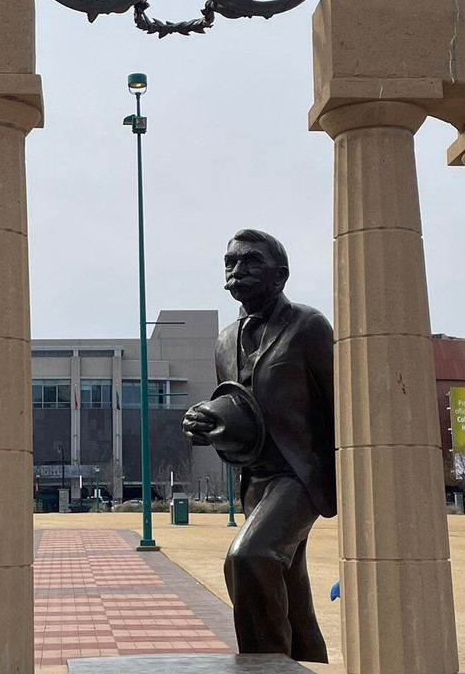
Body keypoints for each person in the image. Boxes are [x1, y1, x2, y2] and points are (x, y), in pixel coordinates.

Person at [183, 229, 335, 663]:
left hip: (301, 475)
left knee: (249, 557)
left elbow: (339, 401)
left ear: (280, 275)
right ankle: (308, 662)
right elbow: (237, 405)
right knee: (290, 587)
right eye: (230, 262)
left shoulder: (308, 326)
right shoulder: (224, 340)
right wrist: (206, 422)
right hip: (255, 478)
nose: (237, 270)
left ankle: (263, 667)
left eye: (251, 261)